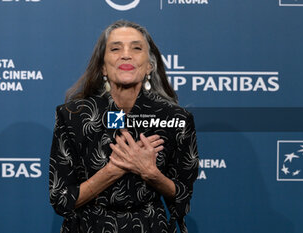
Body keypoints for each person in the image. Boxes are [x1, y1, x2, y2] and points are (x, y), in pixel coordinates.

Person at [49, 20, 199, 233]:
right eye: (116, 48)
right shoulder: (72, 117)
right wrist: (114, 169)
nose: (126, 55)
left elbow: (183, 194)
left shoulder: (176, 119)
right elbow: (61, 200)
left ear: (149, 65)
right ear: (102, 66)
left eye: (136, 48)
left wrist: (150, 173)